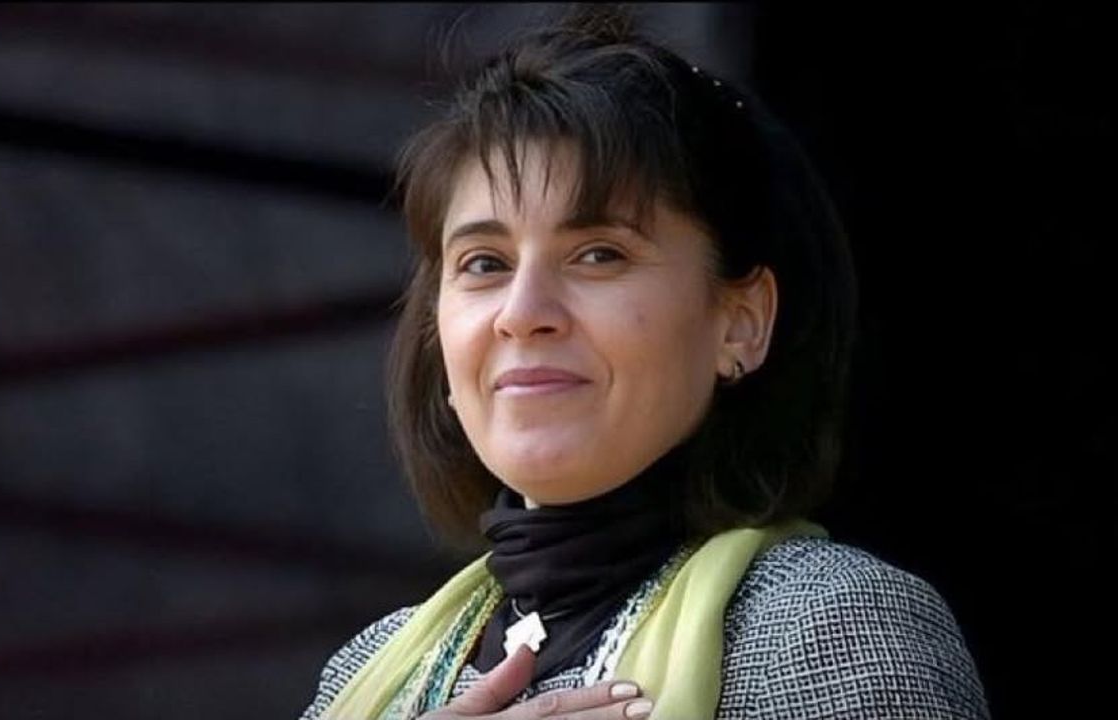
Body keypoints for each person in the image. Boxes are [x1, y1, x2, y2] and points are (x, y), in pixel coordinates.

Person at [301, 5, 989, 719]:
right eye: (484, 263)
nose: (521, 311)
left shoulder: (832, 630)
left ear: (741, 322)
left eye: (600, 254)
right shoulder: (361, 674)